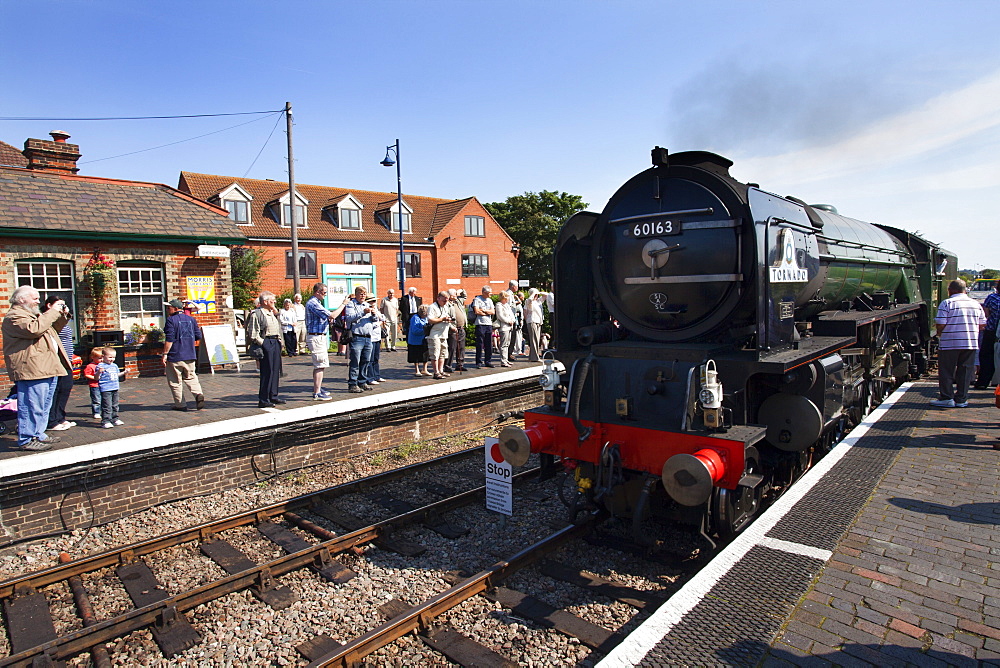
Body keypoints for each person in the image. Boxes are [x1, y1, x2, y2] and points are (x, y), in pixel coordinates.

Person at [2, 285, 71, 451]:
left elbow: (54, 329)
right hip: (32, 368)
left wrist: (62, 315)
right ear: (21, 299)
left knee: (44, 405)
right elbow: (35, 330)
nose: (38, 301)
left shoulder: (34, 314)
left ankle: (39, 433)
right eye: (35, 298)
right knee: (31, 405)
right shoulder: (15, 316)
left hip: (47, 366)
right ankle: (26, 439)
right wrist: (52, 311)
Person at [931, 279, 986, 408]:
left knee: (946, 371)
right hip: (970, 342)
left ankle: (946, 397)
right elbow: (983, 324)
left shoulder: (947, 303)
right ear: (964, 290)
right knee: (966, 371)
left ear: (951, 290)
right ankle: (961, 399)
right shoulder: (975, 304)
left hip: (950, 343)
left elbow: (941, 323)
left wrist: (940, 333)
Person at [161, 298, 205, 411]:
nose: (167, 309)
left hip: (175, 355)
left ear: (175, 308)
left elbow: (169, 339)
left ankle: (180, 405)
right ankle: (198, 394)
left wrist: (165, 354)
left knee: (175, 381)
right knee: (191, 377)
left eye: (169, 307)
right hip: (190, 354)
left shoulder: (171, 320)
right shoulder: (191, 319)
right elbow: (198, 336)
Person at [305, 282, 346, 400]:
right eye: (324, 292)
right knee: (320, 364)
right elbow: (332, 315)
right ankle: (317, 392)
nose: (325, 295)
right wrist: (343, 304)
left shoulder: (317, 303)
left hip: (320, 336)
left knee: (321, 364)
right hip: (316, 337)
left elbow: (326, 318)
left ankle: (318, 388)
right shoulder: (313, 303)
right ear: (318, 292)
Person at [246, 291, 285, 408]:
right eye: (272, 300)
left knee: (275, 370)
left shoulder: (272, 313)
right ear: (265, 302)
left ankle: (273, 395)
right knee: (267, 371)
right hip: (266, 342)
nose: (275, 302)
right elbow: (253, 333)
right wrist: (263, 343)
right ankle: (263, 399)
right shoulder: (257, 314)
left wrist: (279, 342)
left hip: (275, 341)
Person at [43, 295, 76, 432]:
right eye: (58, 305)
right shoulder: (46, 319)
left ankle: (60, 416)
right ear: (49, 306)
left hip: (67, 360)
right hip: (56, 361)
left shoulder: (61, 319)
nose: (62, 307)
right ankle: (52, 420)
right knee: (55, 390)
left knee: (66, 388)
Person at [344, 286, 377, 393]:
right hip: (357, 337)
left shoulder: (367, 304)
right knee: (355, 361)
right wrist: (363, 312)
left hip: (368, 337)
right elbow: (349, 318)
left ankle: (362, 381)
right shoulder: (351, 304)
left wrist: (374, 315)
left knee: (366, 360)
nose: (363, 296)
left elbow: (375, 321)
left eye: (364, 293)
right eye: (360, 293)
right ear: (356, 294)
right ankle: (353, 383)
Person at [975, 280, 1000, 389]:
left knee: (986, 357)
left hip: (990, 332)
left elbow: (986, 315)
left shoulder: (992, 298)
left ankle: (982, 382)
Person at [427, 291, 456, 379]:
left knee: (443, 353)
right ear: (438, 298)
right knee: (435, 353)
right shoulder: (432, 307)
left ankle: (441, 371)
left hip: (444, 334)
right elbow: (430, 320)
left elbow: (445, 317)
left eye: (447, 300)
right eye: (444, 301)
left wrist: (451, 325)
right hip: (434, 334)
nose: (445, 302)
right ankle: (436, 372)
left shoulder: (446, 306)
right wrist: (442, 319)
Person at [96, 347, 125, 429]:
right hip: (105, 388)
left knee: (115, 405)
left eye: (113, 357)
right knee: (107, 406)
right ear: (103, 356)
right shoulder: (100, 366)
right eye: (110, 357)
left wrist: (124, 372)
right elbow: (96, 378)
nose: (112, 359)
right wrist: (98, 372)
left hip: (115, 387)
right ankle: (106, 421)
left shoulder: (114, 366)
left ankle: (115, 418)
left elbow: (116, 375)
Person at [523, 288, 552, 362]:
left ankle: (533, 356)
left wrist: (539, 292)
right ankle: (534, 357)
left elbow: (546, 295)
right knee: (534, 340)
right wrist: (533, 294)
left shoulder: (538, 301)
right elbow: (529, 300)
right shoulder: (528, 301)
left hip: (539, 321)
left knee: (537, 339)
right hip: (532, 321)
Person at [365, 297, 388, 384]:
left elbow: (383, 318)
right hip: (371, 337)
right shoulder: (367, 311)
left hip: (377, 336)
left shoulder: (376, 310)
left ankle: (376, 375)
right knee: (370, 359)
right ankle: (370, 377)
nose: (374, 303)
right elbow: (372, 323)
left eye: (374, 301)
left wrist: (378, 317)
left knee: (376, 358)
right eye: (372, 301)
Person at [472, 285, 496, 368]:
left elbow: (493, 312)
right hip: (480, 324)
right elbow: (477, 311)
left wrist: (484, 310)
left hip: (488, 324)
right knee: (479, 343)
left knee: (488, 343)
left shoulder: (490, 300)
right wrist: (485, 312)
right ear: (484, 292)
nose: (491, 294)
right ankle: (478, 362)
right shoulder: (477, 299)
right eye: (489, 293)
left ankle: (488, 361)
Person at [446, 288, 468, 372]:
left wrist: (461, 290)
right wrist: (451, 326)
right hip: (453, 329)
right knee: (452, 348)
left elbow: (464, 296)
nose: (456, 296)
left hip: (461, 328)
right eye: (454, 294)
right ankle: (448, 365)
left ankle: (460, 364)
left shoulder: (458, 301)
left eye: (456, 294)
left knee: (461, 347)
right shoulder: (447, 304)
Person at [408, 304, 431, 376]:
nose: (425, 314)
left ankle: (425, 369)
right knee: (416, 356)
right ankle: (417, 370)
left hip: (424, 339)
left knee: (425, 354)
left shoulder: (427, 318)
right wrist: (424, 330)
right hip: (415, 340)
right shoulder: (415, 318)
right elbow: (414, 330)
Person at [495, 291, 516, 367]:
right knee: (503, 344)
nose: (507, 299)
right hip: (504, 327)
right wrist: (508, 321)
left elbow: (511, 314)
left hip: (510, 326)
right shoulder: (499, 305)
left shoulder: (507, 305)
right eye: (506, 298)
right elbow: (500, 316)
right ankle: (503, 361)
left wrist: (513, 321)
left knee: (508, 343)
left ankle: (506, 359)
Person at [83, 348, 102, 420]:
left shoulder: (104, 365)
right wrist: (94, 378)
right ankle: (96, 412)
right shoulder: (90, 366)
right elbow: (86, 374)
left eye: (102, 358)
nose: (101, 360)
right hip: (94, 385)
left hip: (103, 385)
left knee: (104, 399)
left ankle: (103, 410)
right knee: (96, 399)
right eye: (99, 358)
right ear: (92, 357)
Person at [507, 281, 524, 361]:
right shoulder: (508, 294)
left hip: (513, 318)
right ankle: (509, 354)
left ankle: (510, 353)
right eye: (517, 286)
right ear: (513, 286)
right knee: (511, 337)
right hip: (511, 319)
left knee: (513, 337)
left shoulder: (511, 294)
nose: (517, 288)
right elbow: (509, 307)